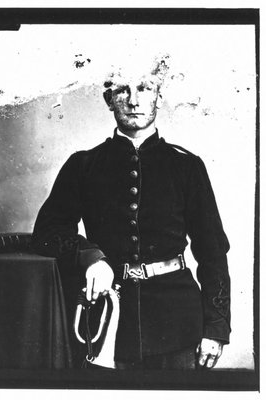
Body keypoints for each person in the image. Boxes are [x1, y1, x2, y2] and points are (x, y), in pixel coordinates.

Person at [32, 54, 231, 370]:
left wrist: (216, 328)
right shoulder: (83, 166)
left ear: (159, 97)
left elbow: (212, 252)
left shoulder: (187, 167)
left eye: (145, 88)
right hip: (105, 324)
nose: (134, 99)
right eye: (123, 89)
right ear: (108, 99)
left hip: (178, 325)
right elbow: (47, 232)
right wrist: (91, 257)